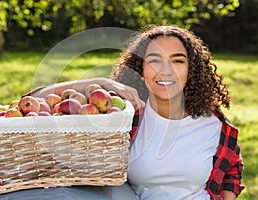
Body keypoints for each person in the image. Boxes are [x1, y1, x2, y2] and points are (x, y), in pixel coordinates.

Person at [26, 25, 244, 200]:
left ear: (192, 69)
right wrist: (100, 83)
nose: (165, 70)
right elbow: (34, 97)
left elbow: (232, 168)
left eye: (177, 61)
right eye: (154, 61)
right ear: (140, 69)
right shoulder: (126, 116)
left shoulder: (214, 124)